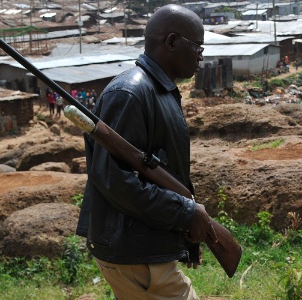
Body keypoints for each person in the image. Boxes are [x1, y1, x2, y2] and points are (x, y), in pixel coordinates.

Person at [76, 4, 211, 299]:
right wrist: (185, 213)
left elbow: (162, 173)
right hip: (133, 250)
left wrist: (185, 232)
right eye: (197, 47)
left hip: (143, 245)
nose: (201, 56)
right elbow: (114, 179)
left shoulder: (156, 90)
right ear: (172, 42)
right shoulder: (130, 94)